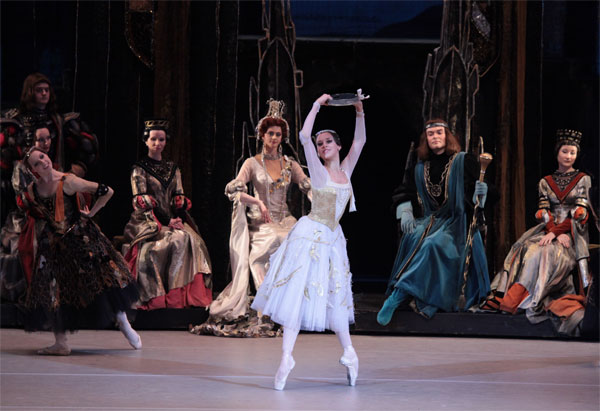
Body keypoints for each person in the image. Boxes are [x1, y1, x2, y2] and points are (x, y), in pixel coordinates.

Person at [251, 91, 366, 390]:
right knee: (297, 297)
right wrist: (317, 105)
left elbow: (361, 142)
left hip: (333, 240)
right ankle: (287, 357)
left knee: (336, 297)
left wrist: (358, 110)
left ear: (338, 146)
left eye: (328, 141)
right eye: (320, 143)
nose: (323, 145)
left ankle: (350, 353)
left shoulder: (346, 170)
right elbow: (303, 134)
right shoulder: (319, 170)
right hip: (311, 237)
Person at [196, 100, 310, 337]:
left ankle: (291, 304)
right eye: (271, 133)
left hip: (285, 219)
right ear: (262, 135)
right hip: (261, 224)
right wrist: (256, 201)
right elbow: (233, 190)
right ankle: (267, 307)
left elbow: (306, 185)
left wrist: (319, 200)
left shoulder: (290, 164)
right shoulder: (252, 163)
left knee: (298, 239)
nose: (275, 138)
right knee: (265, 250)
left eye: (279, 134)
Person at [18, 147, 141, 355]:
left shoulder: (68, 181)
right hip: (54, 245)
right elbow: (37, 211)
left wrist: (91, 213)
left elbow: (107, 191)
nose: (43, 162)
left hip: (81, 239)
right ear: (33, 170)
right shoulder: (32, 190)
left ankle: (123, 323)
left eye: (43, 157)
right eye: (37, 163)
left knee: (105, 281)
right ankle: (61, 343)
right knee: (53, 291)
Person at [377, 119, 490, 325]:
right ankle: (409, 294)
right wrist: (406, 210)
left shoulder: (464, 161)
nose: (435, 137)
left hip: (457, 220)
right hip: (431, 219)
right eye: (431, 134)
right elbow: (405, 191)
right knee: (413, 235)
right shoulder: (420, 167)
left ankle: (399, 295)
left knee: (432, 244)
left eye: (439, 132)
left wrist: (481, 194)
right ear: (425, 139)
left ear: (447, 136)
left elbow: (477, 195)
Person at [482, 129, 591, 335]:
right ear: (557, 153)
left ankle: (525, 297)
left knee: (547, 253)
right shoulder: (545, 182)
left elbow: (580, 213)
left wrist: (560, 233)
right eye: (565, 152)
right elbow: (543, 213)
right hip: (548, 230)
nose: (568, 156)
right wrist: (552, 231)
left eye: (573, 153)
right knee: (527, 249)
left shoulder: (583, 180)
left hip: (573, 233)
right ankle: (513, 296)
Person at [122, 119, 212, 309]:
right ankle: (160, 298)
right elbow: (143, 199)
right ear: (146, 141)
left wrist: (178, 217)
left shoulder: (173, 168)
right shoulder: (139, 169)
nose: (157, 144)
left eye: (161, 140)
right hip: (147, 219)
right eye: (153, 139)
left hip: (172, 219)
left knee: (193, 241)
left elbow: (178, 196)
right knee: (172, 242)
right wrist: (168, 220)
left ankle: (179, 297)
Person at [1, 126, 54, 301]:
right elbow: (23, 197)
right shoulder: (21, 167)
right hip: (25, 217)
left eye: (48, 139)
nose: (45, 143)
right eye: (41, 139)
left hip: (50, 215)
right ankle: (33, 295)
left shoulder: (50, 163)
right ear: (32, 141)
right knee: (31, 246)